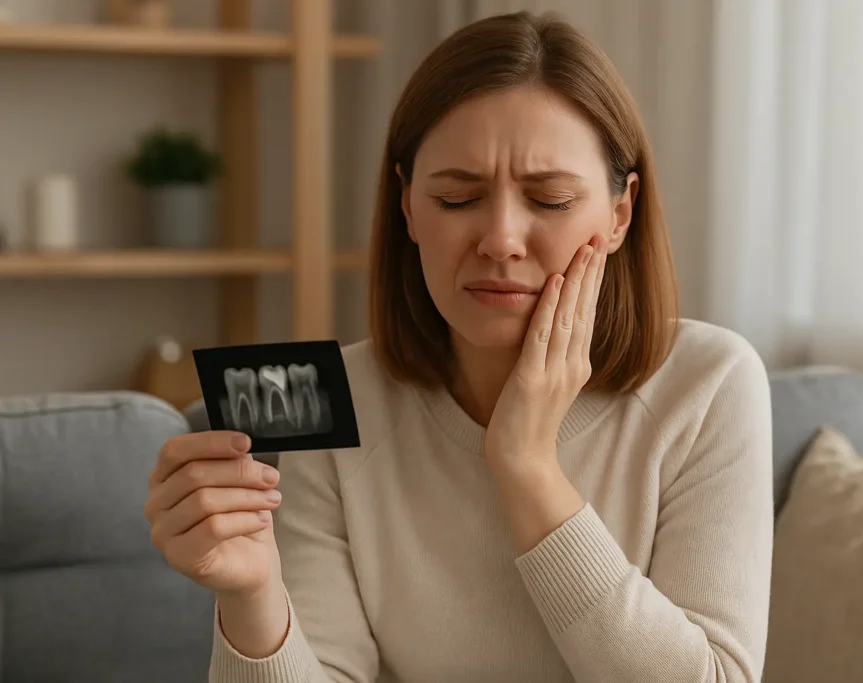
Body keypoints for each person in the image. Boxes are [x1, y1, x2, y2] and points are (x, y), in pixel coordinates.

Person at [144, 10, 773, 683]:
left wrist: (528, 466)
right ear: (408, 205)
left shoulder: (710, 384)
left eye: (550, 199)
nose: (501, 238)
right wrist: (253, 596)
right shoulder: (338, 404)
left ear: (620, 213)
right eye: (456, 197)